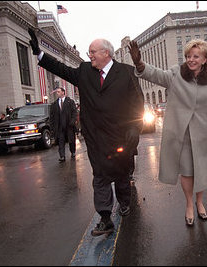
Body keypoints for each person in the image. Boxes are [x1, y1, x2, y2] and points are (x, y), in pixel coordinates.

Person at [28, 28, 144, 236]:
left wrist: (135, 128)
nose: (89, 55)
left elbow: (138, 103)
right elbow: (61, 69)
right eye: (89, 52)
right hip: (96, 138)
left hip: (121, 136)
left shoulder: (126, 72)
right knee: (100, 176)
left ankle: (125, 203)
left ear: (106, 53)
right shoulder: (83, 71)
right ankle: (105, 217)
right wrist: (40, 54)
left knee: (121, 174)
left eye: (92, 52)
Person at [128, 39, 207, 226]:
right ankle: (188, 205)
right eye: (188, 56)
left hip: (202, 134)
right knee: (187, 172)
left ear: (205, 59)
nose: (191, 59)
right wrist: (139, 64)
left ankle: (199, 202)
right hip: (181, 133)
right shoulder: (177, 73)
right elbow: (157, 75)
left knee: (201, 170)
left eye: (195, 56)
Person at [50, 86, 78, 161]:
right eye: (57, 92)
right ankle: (62, 156)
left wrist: (72, 121)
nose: (57, 93)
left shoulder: (70, 102)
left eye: (58, 92)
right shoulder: (55, 104)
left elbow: (74, 112)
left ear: (63, 92)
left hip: (69, 125)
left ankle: (73, 152)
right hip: (59, 127)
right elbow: (52, 116)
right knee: (60, 141)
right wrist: (52, 127)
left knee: (71, 140)